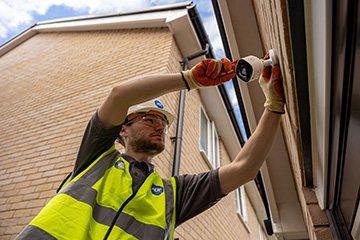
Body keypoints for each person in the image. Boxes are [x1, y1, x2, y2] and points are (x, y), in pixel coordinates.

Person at [16, 56, 285, 240]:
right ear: (123, 129)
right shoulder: (96, 159)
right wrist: (189, 79)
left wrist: (273, 105)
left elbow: (244, 169)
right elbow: (119, 94)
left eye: (163, 124)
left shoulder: (173, 194)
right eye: (149, 120)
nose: (160, 127)